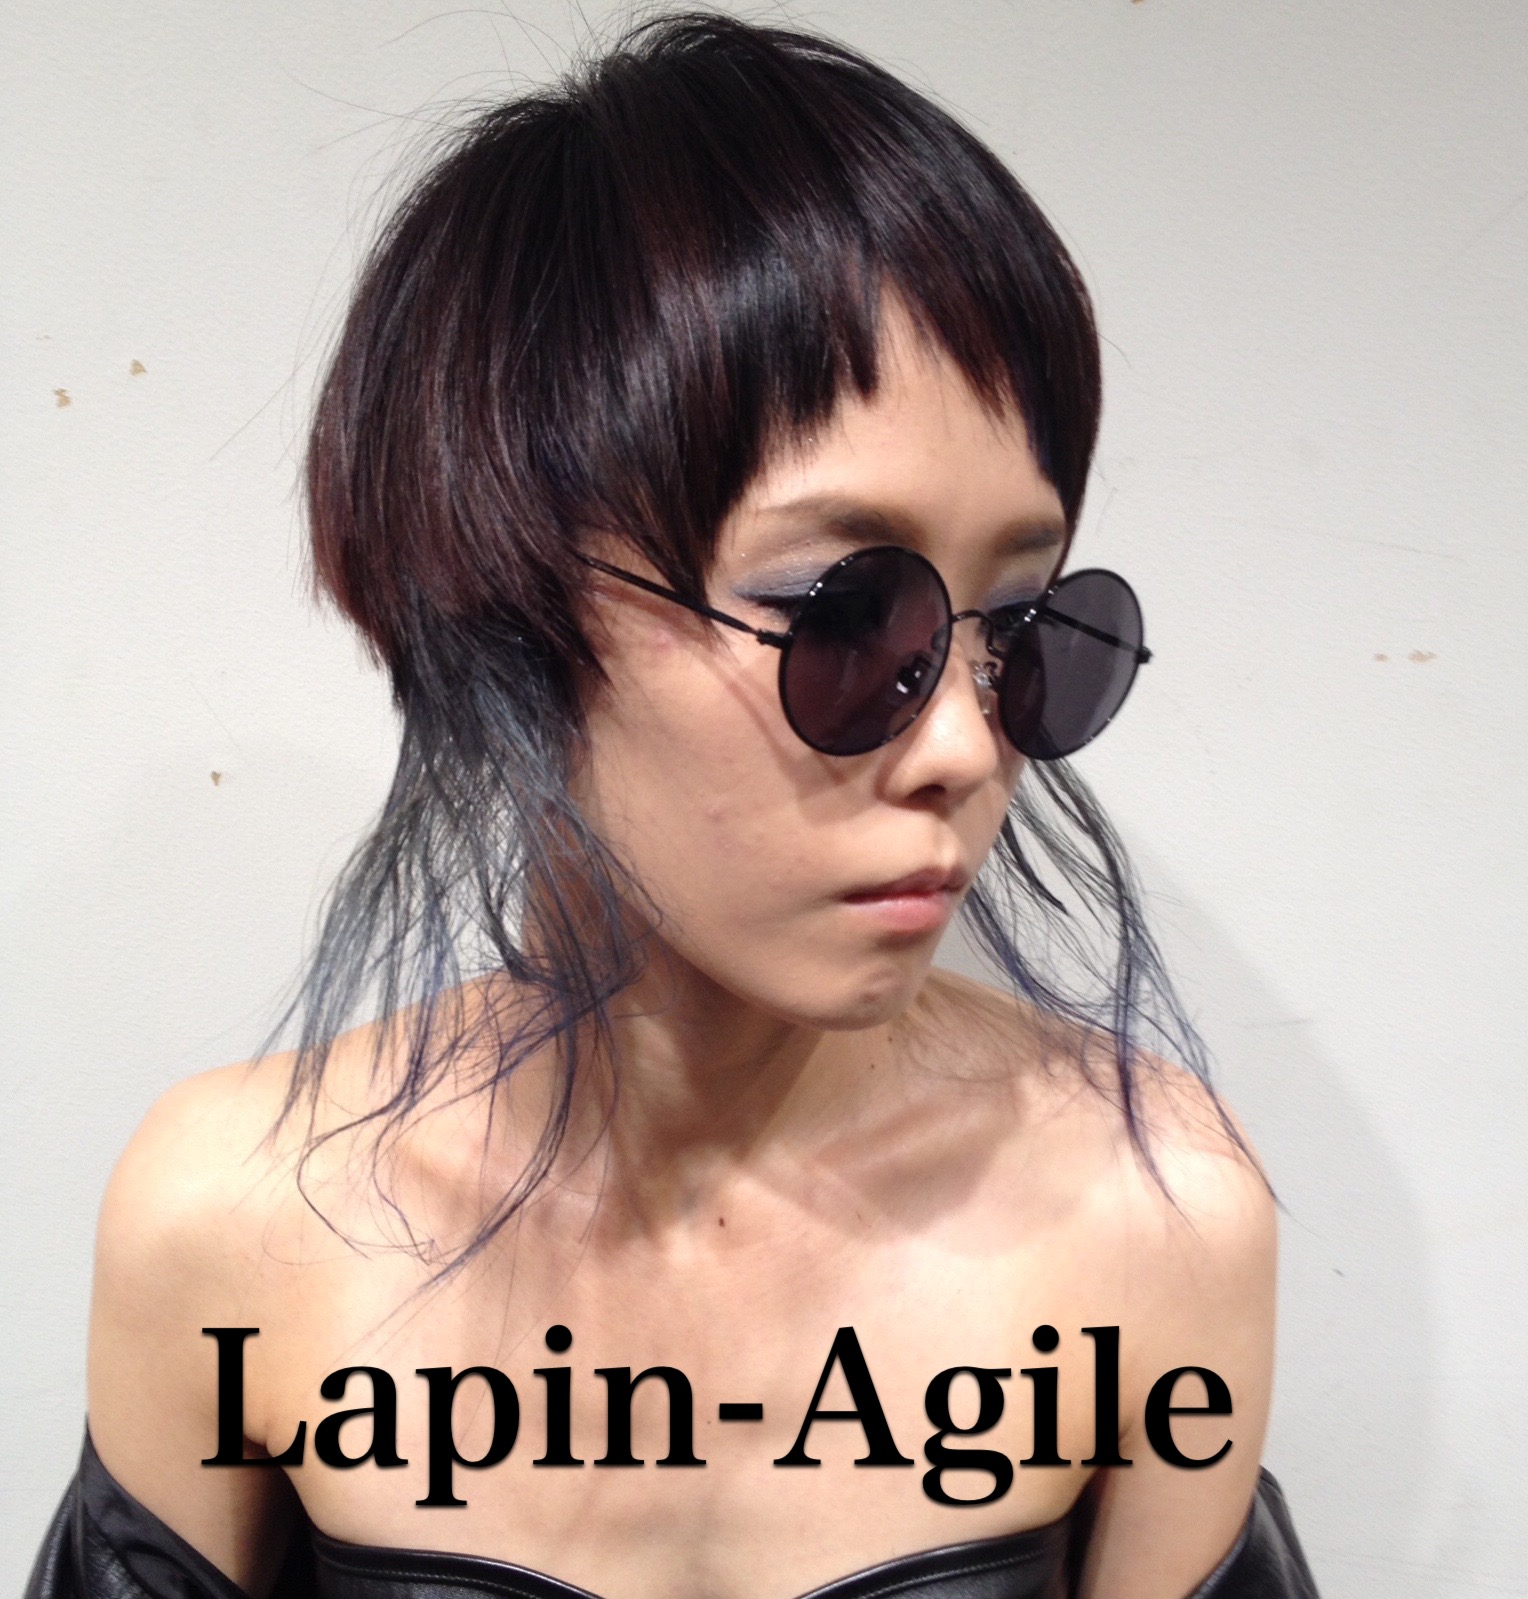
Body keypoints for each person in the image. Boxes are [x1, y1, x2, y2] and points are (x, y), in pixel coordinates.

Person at [27, 13, 1318, 1599]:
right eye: (845, 613)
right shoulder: (235, 1221)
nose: (966, 744)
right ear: (497, 600)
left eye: (1020, 626)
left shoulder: (1152, 1212)